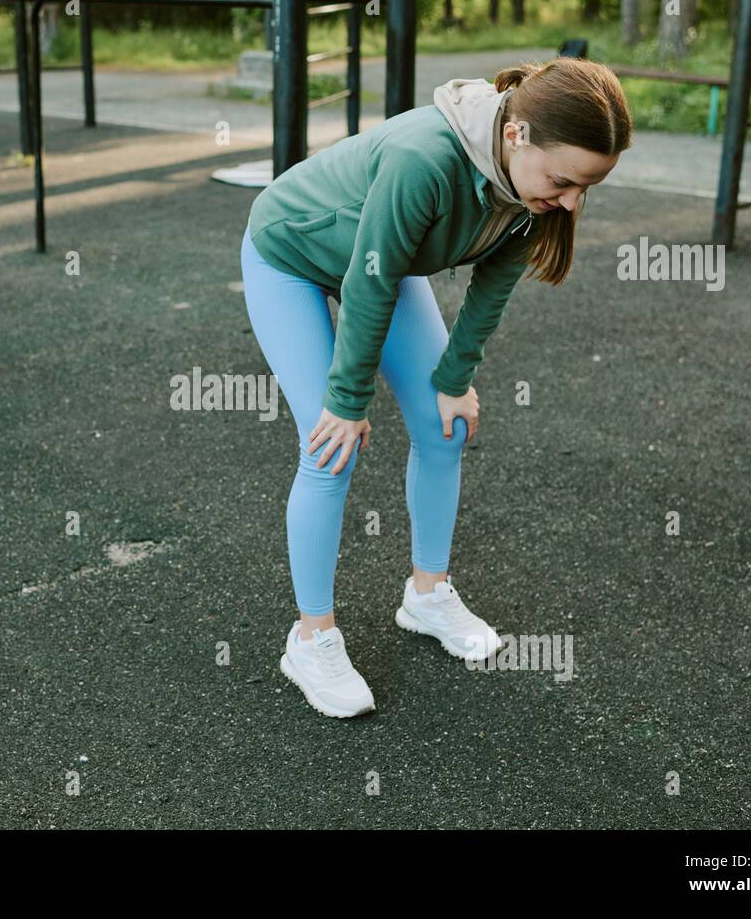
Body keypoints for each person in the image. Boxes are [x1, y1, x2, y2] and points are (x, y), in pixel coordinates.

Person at [240, 57, 632, 718]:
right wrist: (347, 400)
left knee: (445, 424)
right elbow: (371, 280)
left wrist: (454, 380)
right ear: (517, 136)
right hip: (292, 255)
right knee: (330, 445)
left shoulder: (529, 194)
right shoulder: (424, 160)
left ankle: (426, 595)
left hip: (379, 267)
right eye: (564, 182)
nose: (570, 202)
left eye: (584, 190)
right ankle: (311, 638)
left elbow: (492, 287)